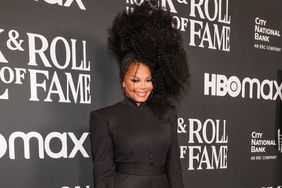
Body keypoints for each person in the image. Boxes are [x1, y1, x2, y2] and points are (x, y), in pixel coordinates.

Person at [89, 1, 190, 188]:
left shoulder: (167, 113)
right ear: (123, 82)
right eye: (135, 80)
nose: (142, 86)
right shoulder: (103, 118)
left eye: (148, 80)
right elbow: (102, 173)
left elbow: (174, 165)